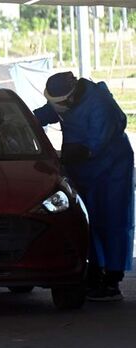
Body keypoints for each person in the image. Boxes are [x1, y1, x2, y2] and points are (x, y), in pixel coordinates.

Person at [33, 71, 134, 301]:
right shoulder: (67, 101)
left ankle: (112, 279)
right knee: (89, 222)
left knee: (112, 220)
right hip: (85, 171)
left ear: (68, 98)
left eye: (57, 104)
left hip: (112, 170)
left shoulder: (101, 105)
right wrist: (23, 119)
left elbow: (90, 147)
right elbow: (49, 112)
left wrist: (57, 157)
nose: (55, 108)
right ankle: (94, 272)